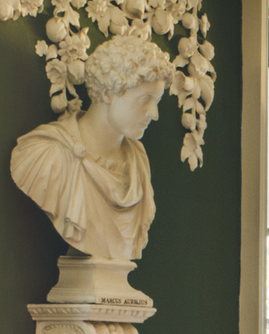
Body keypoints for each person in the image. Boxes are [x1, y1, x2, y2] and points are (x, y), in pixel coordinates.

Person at [11, 31, 168, 268]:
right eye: (145, 99)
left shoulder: (138, 161)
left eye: (156, 102)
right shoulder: (48, 154)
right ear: (107, 92)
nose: (154, 115)